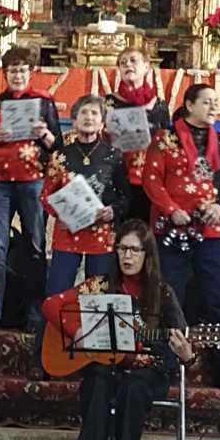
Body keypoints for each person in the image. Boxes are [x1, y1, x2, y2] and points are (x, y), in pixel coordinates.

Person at [41, 220, 193, 440]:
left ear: (147, 255)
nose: (127, 256)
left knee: (132, 387)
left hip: (148, 372)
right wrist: (77, 332)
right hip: (109, 367)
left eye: (135, 250)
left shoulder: (162, 293)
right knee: (97, 378)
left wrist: (185, 353)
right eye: (122, 248)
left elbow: (186, 349)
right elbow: (50, 305)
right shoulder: (100, 286)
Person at [142, 84, 220, 386]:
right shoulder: (164, 139)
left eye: (216, 102)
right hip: (172, 232)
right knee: (171, 299)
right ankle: (168, 366)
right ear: (188, 104)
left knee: (219, 300)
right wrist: (170, 209)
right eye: (207, 102)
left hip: (210, 234)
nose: (214, 108)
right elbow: (151, 181)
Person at [0, 46, 62, 332]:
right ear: (5, 74)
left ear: (30, 72)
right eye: (13, 70)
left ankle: (35, 315)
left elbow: (58, 145)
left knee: (35, 246)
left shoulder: (43, 102)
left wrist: (44, 135)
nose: (18, 75)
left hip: (33, 178)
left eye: (23, 70)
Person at [40, 94, 129, 295]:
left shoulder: (114, 156)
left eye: (94, 113)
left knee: (98, 298)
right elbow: (46, 195)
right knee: (57, 293)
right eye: (83, 112)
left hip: (101, 237)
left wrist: (113, 211)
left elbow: (125, 196)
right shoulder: (60, 156)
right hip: (66, 235)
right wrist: (65, 212)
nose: (89, 117)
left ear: (102, 123)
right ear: (73, 120)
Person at [105, 46, 170, 221]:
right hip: (120, 176)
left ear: (147, 66)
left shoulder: (159, 105)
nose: (128, 65)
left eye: (133, 61)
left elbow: (167, 143)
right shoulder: (109, 103)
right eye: (123, 62)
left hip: (151, 178)